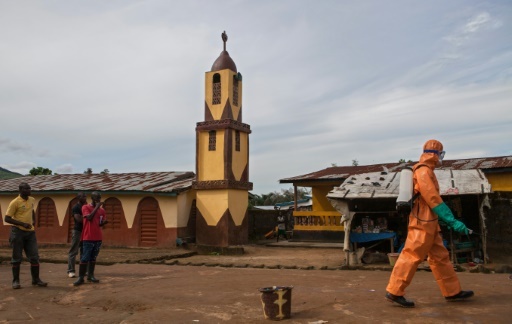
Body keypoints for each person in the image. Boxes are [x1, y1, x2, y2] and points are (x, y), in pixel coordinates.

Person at [385, 139, 474, 307]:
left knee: (440, 257)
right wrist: (451, 219)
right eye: (440, 153)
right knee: (412, 255)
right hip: (422, 221)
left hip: (429, 221)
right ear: (434, 153)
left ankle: (452, 291)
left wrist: (443, 220)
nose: (441, 157)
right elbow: (432, 198)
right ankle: (395, 291)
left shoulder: (427, 170)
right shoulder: (423, 170)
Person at [4, 182, 48, 289]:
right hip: (18, 232)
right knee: (17, 258)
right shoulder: (15, 202)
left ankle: (36, 280)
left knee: (34, 257)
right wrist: (22, 224)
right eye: (26, 189)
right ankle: (16, 281)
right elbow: (7, 218)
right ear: (20, 190)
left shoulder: (31, 199)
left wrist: (34, 220)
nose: (29, 190)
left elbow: (32, 210)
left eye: (29, 188)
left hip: (30, 233)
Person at [74, 191, 108, 286]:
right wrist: (97, 207)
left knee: (93, 257)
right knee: (85, 257)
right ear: (92, 198)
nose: (99, 200)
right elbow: (89, 218)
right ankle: (81, 278)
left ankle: (91, 275)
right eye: (97, 198)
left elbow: (99, 223)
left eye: (100, 198)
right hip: (88, 237)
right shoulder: (85, 207)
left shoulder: (102, 211)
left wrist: (103, 223)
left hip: (98, 237)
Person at [67, 192, 87, 278]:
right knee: (73, 251)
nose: (85, 198)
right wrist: (88, 217)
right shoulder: (76, 207)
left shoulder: (86, 207)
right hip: (77, 231)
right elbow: (78, 219)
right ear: (78, 198)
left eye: (85, 196)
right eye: (83, 196)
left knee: (84, 251)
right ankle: (71, 270)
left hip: (85, 231)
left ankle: (83, 270)